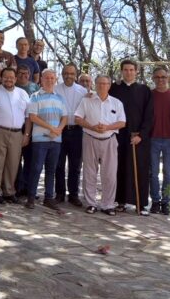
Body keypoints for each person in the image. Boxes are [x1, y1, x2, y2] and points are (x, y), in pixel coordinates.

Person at [75, 75, 126, 215]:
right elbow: (78, 118)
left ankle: (108, 205)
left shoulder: (117, 103)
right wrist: (92, 127)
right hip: (90, 138)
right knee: (89, 173)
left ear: (109, 85)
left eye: (105, 83)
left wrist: (108, 127)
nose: (102, 86)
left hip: (109, 140)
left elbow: (122, 122)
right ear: (95, 85)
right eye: (99, 83)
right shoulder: (87, 100)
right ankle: (91, 203)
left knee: (109, 174)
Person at [109, 59, 153, 215]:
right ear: (121, 71)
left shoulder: (144, 90)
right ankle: (120, 201)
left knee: (140, 169)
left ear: (136, 72)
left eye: (131, 70)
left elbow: (149, 116)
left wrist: (141, 135)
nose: (128, 72)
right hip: (118, 136)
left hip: (138, 137)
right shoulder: (114, 88)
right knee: (119, 167)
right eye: (125, 70)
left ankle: (141, 204)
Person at [25, 69, 67, 210]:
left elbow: (65, 117)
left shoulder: (60, 98)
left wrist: (59, 129)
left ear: (55, 80)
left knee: (51, 169)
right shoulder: (35, 96)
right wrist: (51, 127)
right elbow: (33, 117)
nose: (49, 80)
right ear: (41, 80)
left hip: (56, 140)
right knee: (36, 168)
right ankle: (31, 197)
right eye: (46, 78)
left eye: (52, 78)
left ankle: (48, 198)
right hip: (40, 139)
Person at [0, 67, 29, 203]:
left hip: (17, 133)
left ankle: (9, 191)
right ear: (1, 78)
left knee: (13, 164)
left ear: (16, 79)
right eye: (6, 77)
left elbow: (28, 116)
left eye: (11, 77)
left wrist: (27, 134)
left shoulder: (23, 93)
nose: (9, 79)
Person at [54, 63, 87, 206]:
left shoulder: (83, 91)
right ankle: (59, 193)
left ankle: (74, 195)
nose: (69, 76)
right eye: (66, 73)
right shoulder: (55, 89)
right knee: (58, 164)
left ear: (76, 75)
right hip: (60, 130)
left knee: (75, 165)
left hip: (77, 131)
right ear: (62, 74)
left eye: (72, 73)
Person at [149, 66, 170, 215]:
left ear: (168, 77)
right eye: (157, 77)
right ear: (153, 78)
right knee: (153, 172)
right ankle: (155, 202)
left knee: (168, 173)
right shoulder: (149, 95)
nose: (160, 79)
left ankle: (166, 202)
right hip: (152, 138)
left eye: (163, 77)